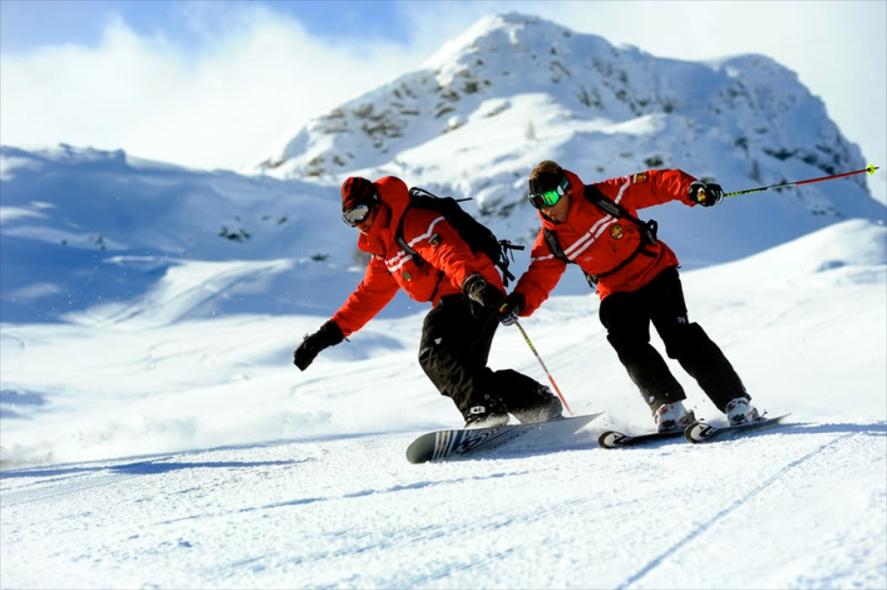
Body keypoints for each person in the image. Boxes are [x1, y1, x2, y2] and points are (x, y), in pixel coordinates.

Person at [501, 160, 760, 432]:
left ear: (566, 189)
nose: (546, 207)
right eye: (537, 201)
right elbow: (539, 274)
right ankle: (667, 405)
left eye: (550, 197)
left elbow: (654, 182)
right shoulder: (552, 240)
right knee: (627, 342)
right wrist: (519, 302)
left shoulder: (606, 196)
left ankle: (735, 401)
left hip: (655, 272)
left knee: (680, 339)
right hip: (615, 289)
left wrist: (692, 190)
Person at [293, 175, 563, 428]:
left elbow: (448, 253)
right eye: (350, 218)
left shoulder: (415, 222)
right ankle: (536, 404)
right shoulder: (385, 253)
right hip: (469, 293)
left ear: (376, 203)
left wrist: (474, 284)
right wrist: (323, 337)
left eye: (360, 212)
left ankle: (483, 410)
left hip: (474, 291)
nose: (359, 222)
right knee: (467, 375)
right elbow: (367, 297)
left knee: (434, 351)